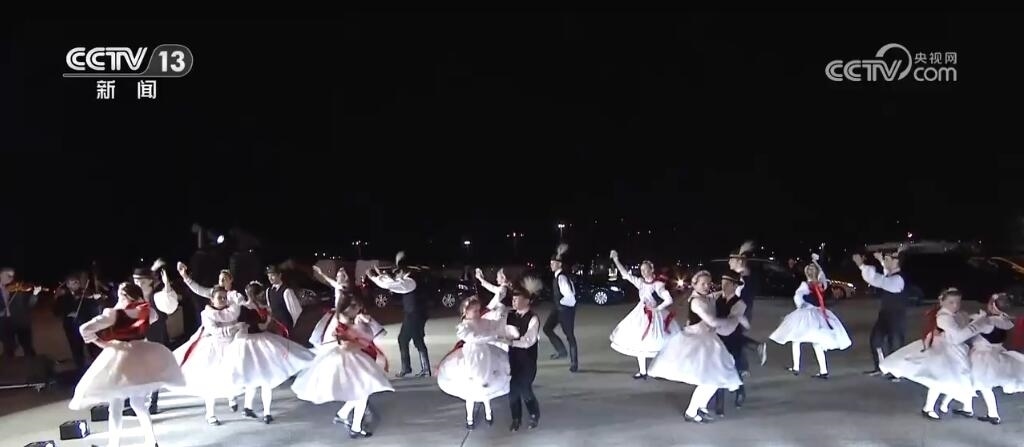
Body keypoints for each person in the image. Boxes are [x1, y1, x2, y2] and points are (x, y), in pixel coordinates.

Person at [68, 282, 185, 447]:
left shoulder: (113, 314)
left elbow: (85, 328)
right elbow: (153, 318)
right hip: (141, 355)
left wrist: (100, 342)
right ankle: (151, 441)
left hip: (120, 357)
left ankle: (114, 444)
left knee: (116, 405)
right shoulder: (147, 312)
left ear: (124, 296)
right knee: (138, 404)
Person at [879, 288, 992, 420]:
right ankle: (929, 408)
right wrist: (977, 325)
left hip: (957, 351)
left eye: (958, 302)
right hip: (944, 351)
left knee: (960, 377)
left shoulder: (959, 314)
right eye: (951, 302)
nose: (955, 305)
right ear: (942, 302)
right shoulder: (943, 317)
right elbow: (957, 337)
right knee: (940, 379)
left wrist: (975, 321)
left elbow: (962, 328)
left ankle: (966, 407)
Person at [292, 293, 394, 439]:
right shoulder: (340, 321)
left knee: (361, 392)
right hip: (346, 359)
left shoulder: (348, 318)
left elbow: (364, 336)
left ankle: (344, 416)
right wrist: (360, 338)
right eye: (356, 307)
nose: (358, 309)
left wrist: (364, 326)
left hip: (351, 358)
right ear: (348, 308)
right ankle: (354, 426)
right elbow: (345, 344)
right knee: (362, 392)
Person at [647, 270, 743, 423]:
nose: (706, 286)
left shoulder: (707, 297)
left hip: (709, 339)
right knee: (709, 379)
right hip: (698, 340)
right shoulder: (696, 302)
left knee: (714, 378)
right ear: (694, 284)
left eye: (708, 283)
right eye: (703, 283)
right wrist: (733, 320)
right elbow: (711, 321)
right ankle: (691, 412)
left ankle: (700, 407)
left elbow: (722, 293)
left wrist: (738, 283)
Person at [231, 281, 315, 423]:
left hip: (258, 342)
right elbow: (258, 326)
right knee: (260, 378)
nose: (258, 296)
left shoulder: (258, 307)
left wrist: (268, 318)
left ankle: (257, 410)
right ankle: (258, 411)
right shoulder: (245, 308)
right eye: (257, 294)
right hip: (252, 343)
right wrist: (267, 320)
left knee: (260, 378)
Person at [436, 296, 518, 429]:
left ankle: (488, 413)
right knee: (473, 386)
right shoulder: (463, 327)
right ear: (466, 312)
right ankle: (470, 418)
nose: (478, 313)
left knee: (486, 383)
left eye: (478, 310)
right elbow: (474, 338)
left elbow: (494, 325)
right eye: (474, 311)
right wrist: (493, 336)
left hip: (485, 353)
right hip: (472, 355)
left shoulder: (482, 322)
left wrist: (503, 320)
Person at [768, 255, 852, 379]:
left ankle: (797, 367)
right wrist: (815, 262)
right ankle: (823, 371)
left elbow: (798, 299)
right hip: (818, 314)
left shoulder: (807, 285)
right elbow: (821, 275)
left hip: (808, 313)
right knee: (815, 342)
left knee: (797, 339)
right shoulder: (821, 284)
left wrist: (800, 306)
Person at [171, 286, 244, 425]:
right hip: (213, 347)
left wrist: (240, 329)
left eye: (224, 297)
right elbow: (215, 331)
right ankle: (210, 414)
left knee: (232, 375)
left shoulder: (232, 311)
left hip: (231, 346)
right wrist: (234, 328)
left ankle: (231, 397)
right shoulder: (207, 314)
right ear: (212, 300)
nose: (223, 300)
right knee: (211, 381)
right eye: (219, 297)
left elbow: (238, 309)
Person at [949, 293, 1024, 425]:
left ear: (992, 305)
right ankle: (969, 408)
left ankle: (991, 414)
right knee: (973, 382)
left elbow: (965, 335)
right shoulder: (1006, 321)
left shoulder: (986, 322)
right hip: (996, 354)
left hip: (981, 356)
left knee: (979, 383)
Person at [608, 250, 678, 379]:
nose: (644, 272)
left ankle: (659, 370)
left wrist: (657, 309)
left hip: (655, 316)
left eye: (646, 269)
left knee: (658, 343)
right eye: (642, 270)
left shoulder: (658, 284)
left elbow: (669, 300)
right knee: (640, 342)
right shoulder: (640, 282)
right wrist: (616, 259)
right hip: (641, 314)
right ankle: (643, 371)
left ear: (652, 270)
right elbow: (625, 274)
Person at [366, 252, 429, 377]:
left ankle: (411, 368)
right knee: (413, 340)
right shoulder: (410, 278)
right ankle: (418, 368)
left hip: (414, 315)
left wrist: (373, 276)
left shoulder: (410, 281)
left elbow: (391, 284)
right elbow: (394, 281)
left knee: (407, 339)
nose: (396, 273)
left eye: (398, 270)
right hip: (416, 314)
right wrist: (380, 274)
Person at [856, 251, 910, 377]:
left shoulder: (898, 279)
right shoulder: (891, 275)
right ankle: (880, 367)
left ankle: (897, 373)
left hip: (896, 316)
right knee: (875, 341)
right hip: (884, 315)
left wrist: (861, 265)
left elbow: (879, 280)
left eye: (887, 260)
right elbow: (886, 273)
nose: (884, 263)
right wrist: (881, 260)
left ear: (896, 262)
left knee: (895, 344)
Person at [709, 272, 751, 415]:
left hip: (732, 338)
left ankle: (740, 391)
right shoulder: (717, 298)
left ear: (734, 285)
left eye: (727, 284)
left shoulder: (739, 304)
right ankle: (719, 404)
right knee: (717, 368)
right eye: (722, 283)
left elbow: (730, 323)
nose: (723, 286)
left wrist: (714, 324)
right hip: (717, 338)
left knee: (734, 368)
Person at [507, 278, 543, 432]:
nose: (514, 302)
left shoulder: (533, 318)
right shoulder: (510, 315)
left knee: (525, 389)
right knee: (512, 391)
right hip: (513, 360)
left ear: (527, 301)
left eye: (517, 299)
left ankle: (534, 414)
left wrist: (511, 342)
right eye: (513, 299)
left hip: (527, 361)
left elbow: (528, 341)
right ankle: (516, 418)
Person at [52, 271, 103, 373]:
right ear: (67, 285)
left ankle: (98, 368)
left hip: (87, 325)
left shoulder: (87, 294)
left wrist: (97, 299)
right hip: (71, 326)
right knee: (76, 349)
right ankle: (81, 370)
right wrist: (67, 312)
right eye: (72, 283)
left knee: (93, 348)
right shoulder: (62, 297)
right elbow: (56, 312)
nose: (76, 284)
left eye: (77, 282)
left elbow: (95, 309)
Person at [542, 243, 579, 372]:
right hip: (558, 309)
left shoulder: (562, 277)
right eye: (551, 263)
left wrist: (561, 305)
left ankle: (574, 363)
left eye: (553, 263)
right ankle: (561, 351)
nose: (551, 265)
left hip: (565, 310)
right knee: (547, 328)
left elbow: (570, 296)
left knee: (570, 336)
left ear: (559, 264)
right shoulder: (558, 276)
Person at [0, 267, 41, 357]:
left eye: (12, 276)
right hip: (7, 324)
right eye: (8, 275)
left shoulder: (19, 292)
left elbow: (30, 304)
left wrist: (35, 294)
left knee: (28, 347)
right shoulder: (5, 290)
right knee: (8, 349)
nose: (11, 278)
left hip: (22, 323)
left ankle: (32, 363)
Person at [264, 265, 303, 338]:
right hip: (276, 329)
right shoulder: (268, 291)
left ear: (279, 275)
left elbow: (296, 312)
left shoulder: (286, 291)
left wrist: (295, 329)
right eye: (268, 276)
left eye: (272, 276)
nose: (270, 278)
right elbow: (270, 309)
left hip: (286, 328)